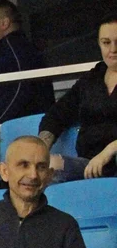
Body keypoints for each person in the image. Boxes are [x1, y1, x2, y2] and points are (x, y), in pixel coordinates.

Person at [39, 14, 117, 181]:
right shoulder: (92, 79)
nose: (113, 49)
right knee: (44, 167)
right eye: (106, 42)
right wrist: (40, 149)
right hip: (87, 165)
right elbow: (57, 114)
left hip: (112, 161)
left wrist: (110, 150)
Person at [0, 0, 54, 125]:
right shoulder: (9, 50)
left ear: (4, 23)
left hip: (21, 131)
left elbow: (21, 89)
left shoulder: (15, 49)